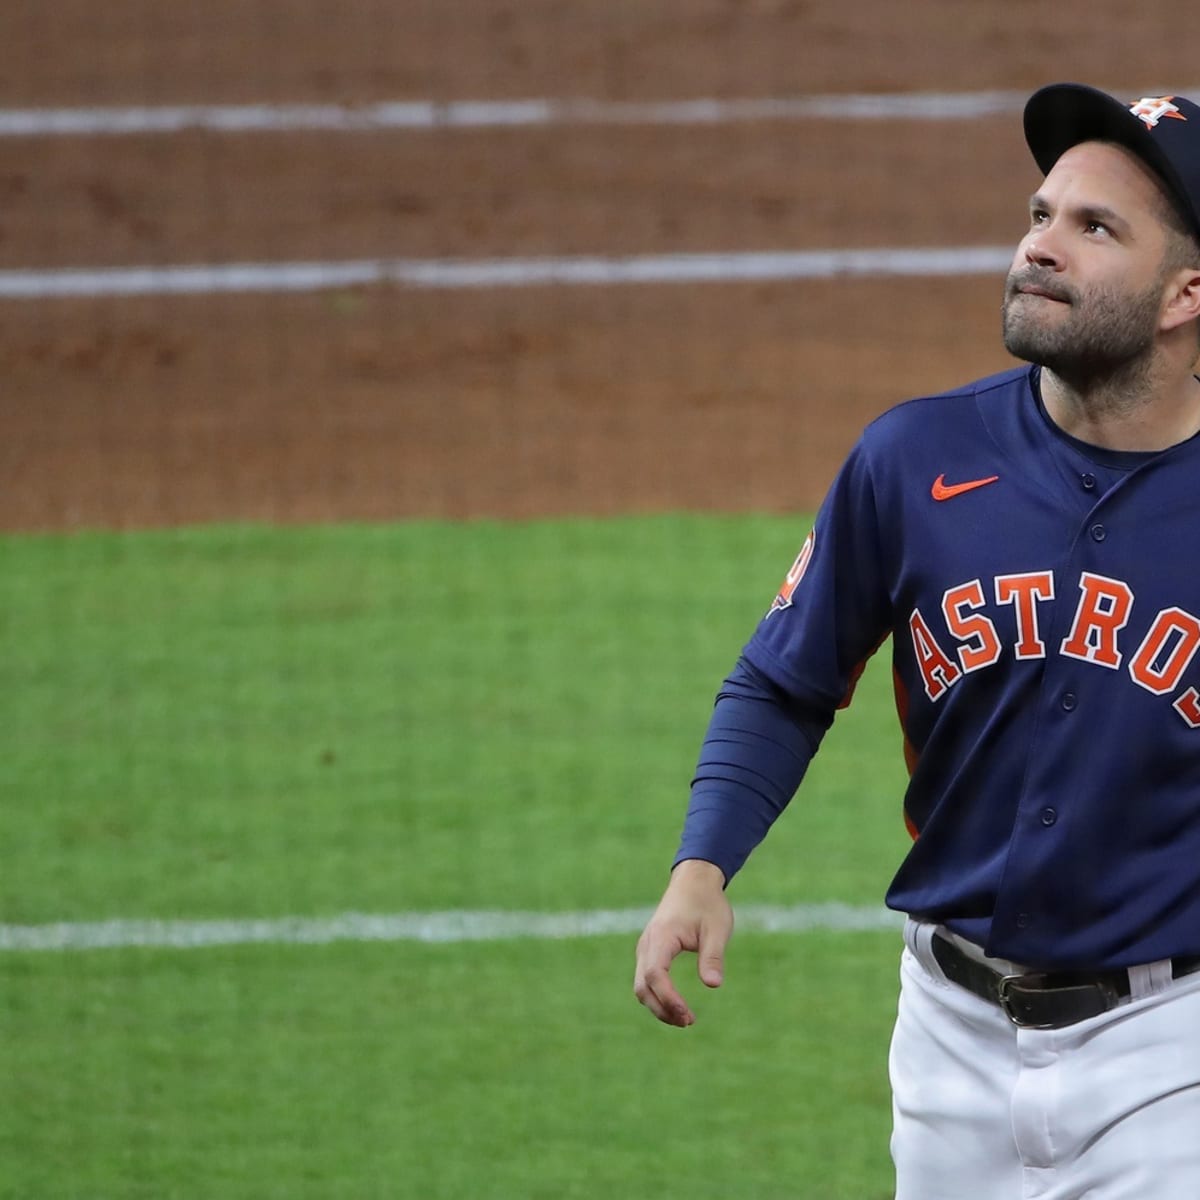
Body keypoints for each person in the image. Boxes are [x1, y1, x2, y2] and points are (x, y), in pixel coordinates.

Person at [633, 82, 1200, 1199]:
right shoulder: (914, 460)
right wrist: (701, 866)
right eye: (1041, 214)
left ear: (1188, 292)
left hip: (1173, 1048)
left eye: (1095, 228)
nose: (1040, 247)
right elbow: (784, 684)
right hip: (948, 1042)